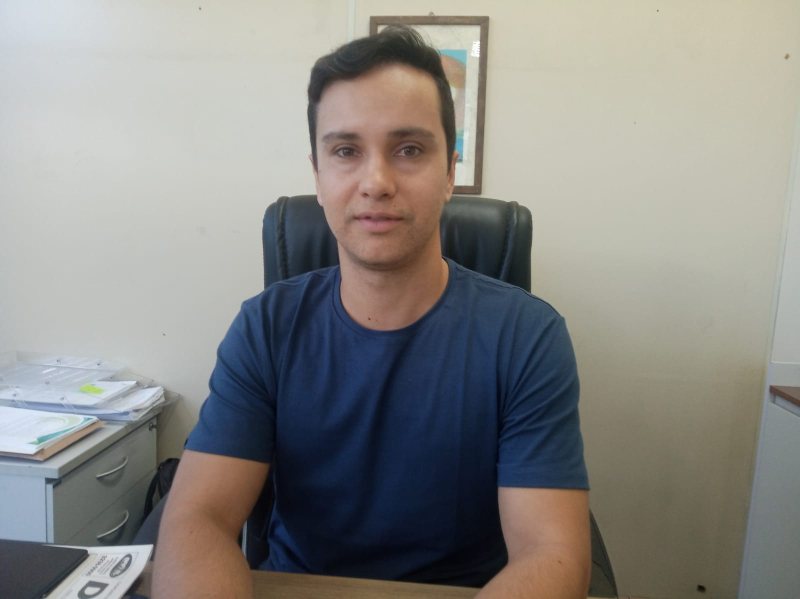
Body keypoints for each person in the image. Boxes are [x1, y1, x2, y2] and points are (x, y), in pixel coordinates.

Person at [153, 26, 590, 599]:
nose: (376, 182)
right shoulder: (266, 328)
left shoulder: (527, 336)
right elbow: (198, 520)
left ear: (450, 172)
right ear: (317, 175)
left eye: (409, 149)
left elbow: (552, 553)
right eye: (345, 151)